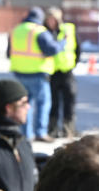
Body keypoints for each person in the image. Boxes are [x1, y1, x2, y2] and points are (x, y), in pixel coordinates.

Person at [7, 7, 62, 142]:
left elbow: (9, 53)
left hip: (19, 73)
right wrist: (62, 43)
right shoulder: (39, 31)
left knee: (25, 105)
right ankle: (40, 132)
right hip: (37, 74)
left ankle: (26, 134)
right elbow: (52, 49)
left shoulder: (16, 30)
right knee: (43, 103)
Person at [44, 7, 80, 138]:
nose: (51, 22)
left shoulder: (69, 30)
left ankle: (68, 129)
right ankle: (52, 129)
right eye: (48, 19)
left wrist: (73, 63)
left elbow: (78, 49)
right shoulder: (44, 33)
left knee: (69, 102)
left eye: (53, 19)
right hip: (51, 73)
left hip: (67, 72)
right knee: (53, 103)